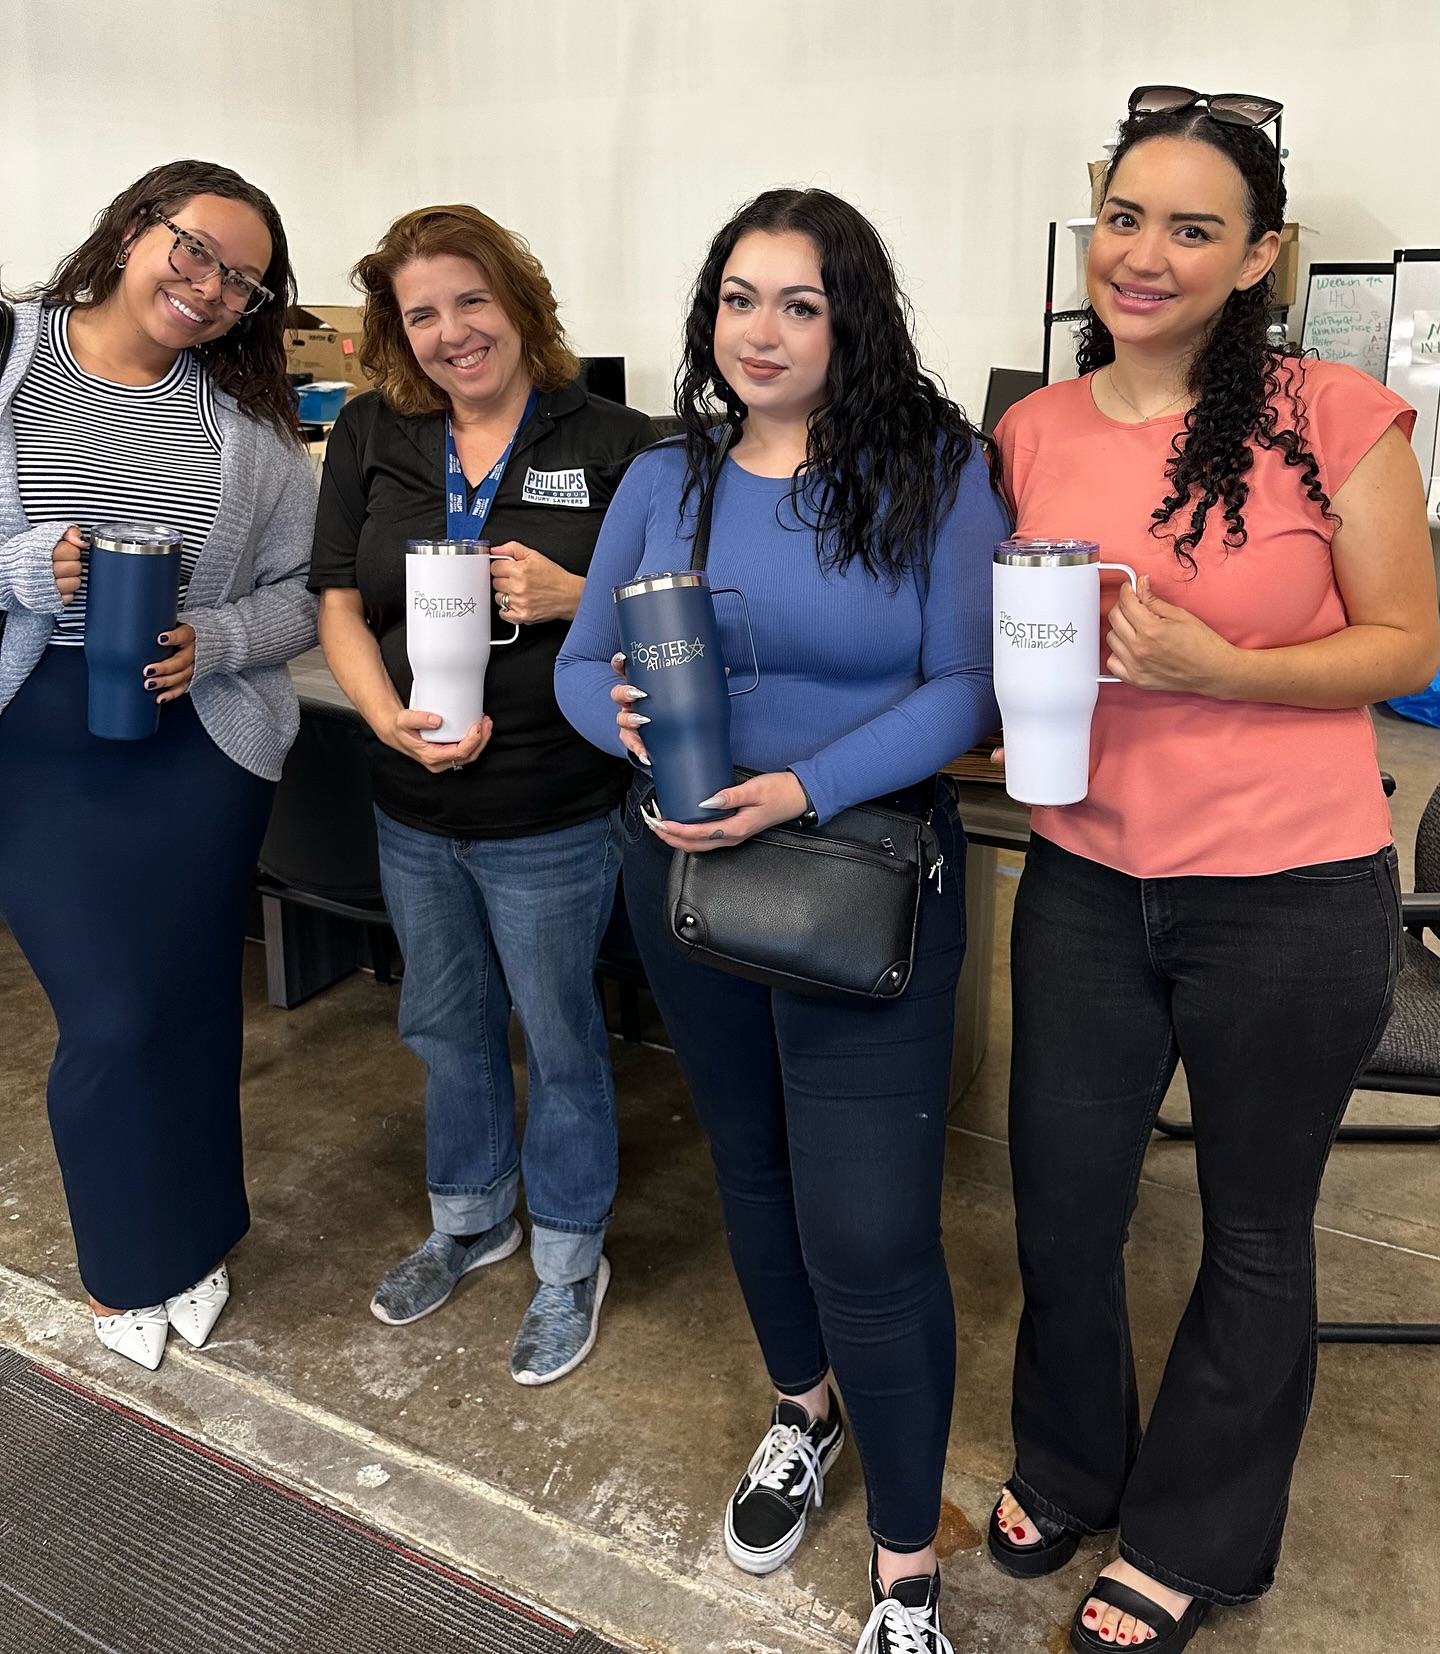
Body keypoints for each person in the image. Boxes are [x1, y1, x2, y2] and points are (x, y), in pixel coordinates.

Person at [987, 91, 1440, 1653]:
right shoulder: (1033, 432)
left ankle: (1192, 1532)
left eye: (1194, 229)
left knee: (1254, 1227)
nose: (1147, 254)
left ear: (1259, 257)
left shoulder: (1336, 416)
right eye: (1126, 217)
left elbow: (1410, 644)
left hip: (1290, 894)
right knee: (1062, 1201)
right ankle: (1069, 1454)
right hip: (1086, 882)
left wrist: (1216, 662)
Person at [556, 188, 1006, 1654]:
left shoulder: (936, 471)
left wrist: (796, 785)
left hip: (867, 879)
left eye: (798, 304)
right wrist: (622, 724)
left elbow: (962, 691)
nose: (761, 330)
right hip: (684, 874)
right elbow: (581, 659)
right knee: (748, 1167)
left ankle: (903, 1568)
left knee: (871, 1226)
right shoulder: (663, 474)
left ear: (849, 318)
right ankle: (801, 1408)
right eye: (738, 298)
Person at [310, 206, 656, 1385]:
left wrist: (575, 595)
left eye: (471, 300)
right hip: (411, 801)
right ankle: (472, 1217)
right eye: (423, 314)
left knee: (561, 1038)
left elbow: (683, 609)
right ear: (398, 336)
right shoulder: (372, 434)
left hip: (553, 807)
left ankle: (568, 1254)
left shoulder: (618, 440)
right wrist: (382, 718)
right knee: (442, 1025)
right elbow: (340, 603)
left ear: (519, 301)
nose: (454, 332)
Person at [0, 161, 318, 1370]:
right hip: (36, 731)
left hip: (199, 742)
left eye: (242, 280)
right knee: (114, 1012)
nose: (210, 288)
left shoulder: (249, 425)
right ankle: (124, 1263)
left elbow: (301, 591)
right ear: (134, 228)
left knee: (188, 1002)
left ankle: (197, 1234)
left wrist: (219, 639)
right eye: (193, 250)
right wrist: (31, 570)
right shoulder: (12, 356)